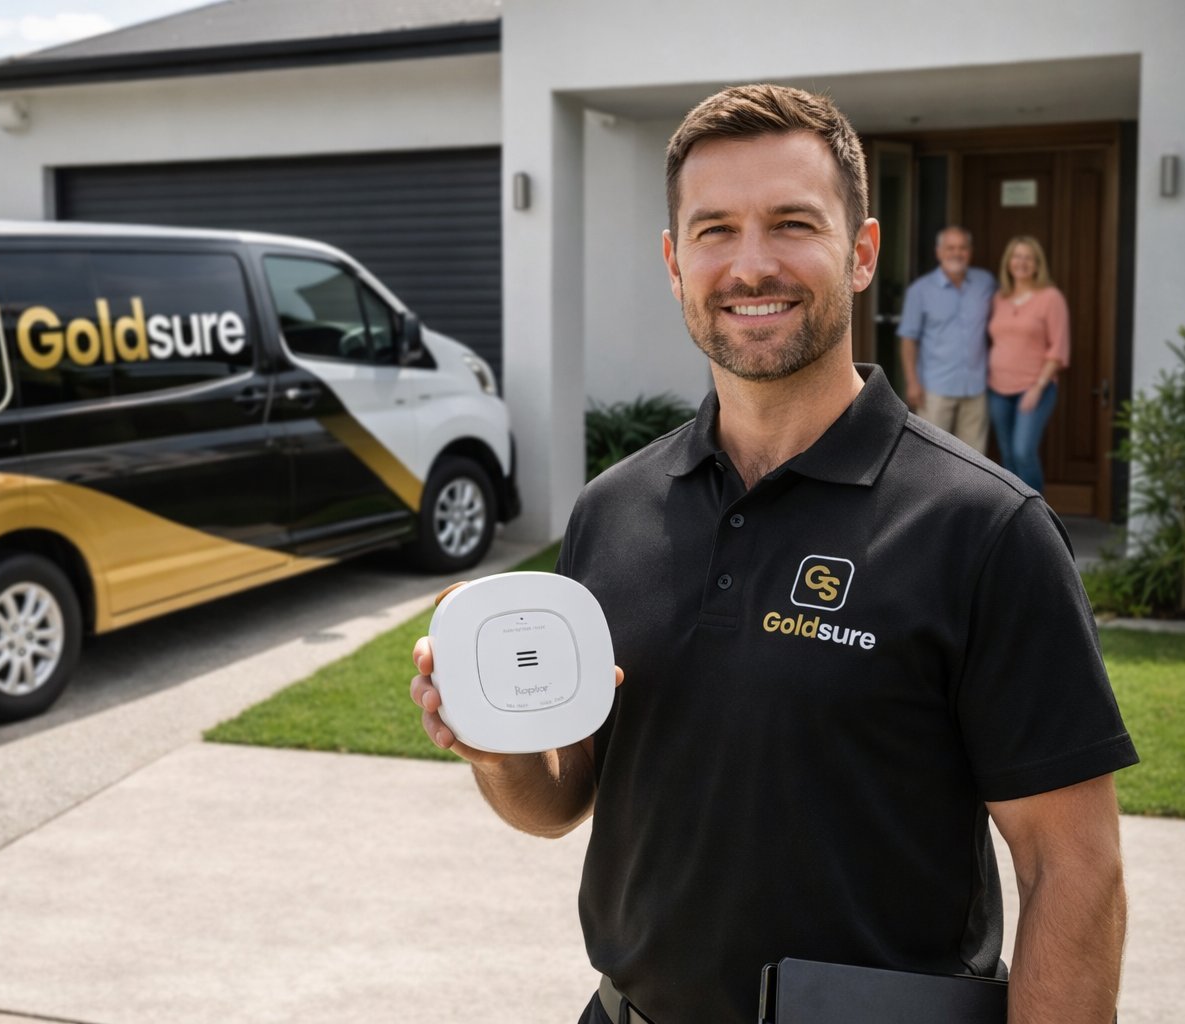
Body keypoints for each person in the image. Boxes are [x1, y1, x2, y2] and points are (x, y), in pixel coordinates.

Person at [410, 83, 1136, 1024]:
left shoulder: (984, 528)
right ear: (675, 264)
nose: (751, 266)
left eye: (792, 223)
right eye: (714, 231)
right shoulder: (614, 510)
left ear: (861, 250)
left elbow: (1073, 868)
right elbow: (560, 800)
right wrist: (493, 747)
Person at [897, 226, 997, 450]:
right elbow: (908, 339)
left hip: (976, 388)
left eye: (962, 248)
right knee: (932, 454)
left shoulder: (986, 283)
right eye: (950, 248)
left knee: (975, 458)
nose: (957, 253)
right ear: (939, 252)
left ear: (970, 252)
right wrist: (912, 382)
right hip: (935, 388)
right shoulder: (920, 291)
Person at [987, 235, 1070, 492]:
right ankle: (1016, 520)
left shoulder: (1050, 297)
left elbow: (1058, 348)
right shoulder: (1000, 298)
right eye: (1016, 257)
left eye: (1028, 258)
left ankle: (1040, 520)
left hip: (1035, 387)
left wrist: (1037, 388)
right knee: (1008, 457)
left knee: (1024, 451)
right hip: (997, 388)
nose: (1021, 263)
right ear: (1008, 262)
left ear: (1037, 264)